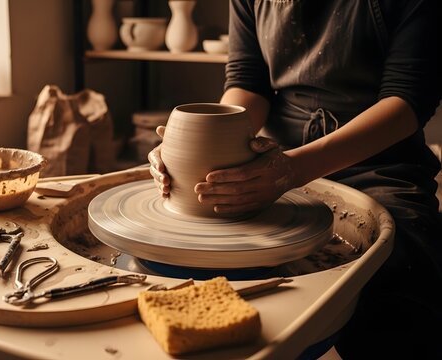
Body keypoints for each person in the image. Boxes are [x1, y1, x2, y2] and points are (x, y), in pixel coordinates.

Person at [148, 0, 442, 358]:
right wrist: (203, 143)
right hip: (270, 154)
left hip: (376, 163)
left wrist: (294, 170)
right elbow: (247, 83)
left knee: (400, 266)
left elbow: (406, 101)